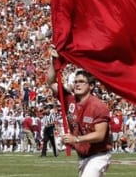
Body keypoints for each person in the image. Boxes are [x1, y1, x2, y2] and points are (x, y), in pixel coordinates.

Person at [47, 47, 112, 176]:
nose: (77, 84)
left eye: (82, 82)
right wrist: (54, 61)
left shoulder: (98, 106)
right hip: (83, 154)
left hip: (98, 155)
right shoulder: (69, 100)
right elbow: (51, 82)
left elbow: (100, 135)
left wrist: (75, 139)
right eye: (76, 82)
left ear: (91, 86)